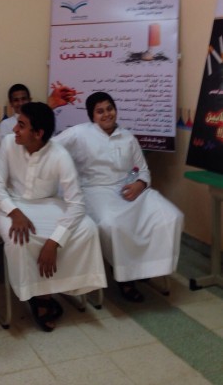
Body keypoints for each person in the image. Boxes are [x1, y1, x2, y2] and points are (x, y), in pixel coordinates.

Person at [54, 91, 184, 302]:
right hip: (94, 191)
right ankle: (125, 278)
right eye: (100, 111)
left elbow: (142, 170)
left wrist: (140, 184)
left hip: (129, 190)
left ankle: (147, 268)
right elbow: (50, 147)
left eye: (109, 108)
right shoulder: (78, 133)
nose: (106, 114)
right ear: (92, 116)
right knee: (112, 225)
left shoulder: (127, 137)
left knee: (170, 216)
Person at [0, 102, 106, 332]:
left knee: (87, 228)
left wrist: (54, 242)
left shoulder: (60, 155)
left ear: (38, 133)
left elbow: (77, 204)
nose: (15, 130)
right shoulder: (9, 144)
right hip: (10, 204)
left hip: (49, 204)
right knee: (19, 238)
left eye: (21, 125)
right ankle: (39, 297)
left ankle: (57, 288)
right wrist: (15, 213)